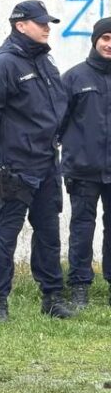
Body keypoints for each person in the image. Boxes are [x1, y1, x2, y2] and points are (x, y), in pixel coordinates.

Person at [0, 0, 76, 321]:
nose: (47, 28)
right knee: (8, 232)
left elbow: (57, 107)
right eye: (41, 23)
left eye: (48, 23)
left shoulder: (45, 62)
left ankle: (52, 297)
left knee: (47, 231)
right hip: (16, 166)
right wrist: (9, 145)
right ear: (21, 25)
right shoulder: (4, 65)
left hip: (47, 162)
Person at [58, 16, 111, 310]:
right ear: (95, 40)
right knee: (82, 228)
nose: (109, 44)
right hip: (82, 169)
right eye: (105, 38)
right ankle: (79, 286)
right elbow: (58, 124)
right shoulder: (74, 78)